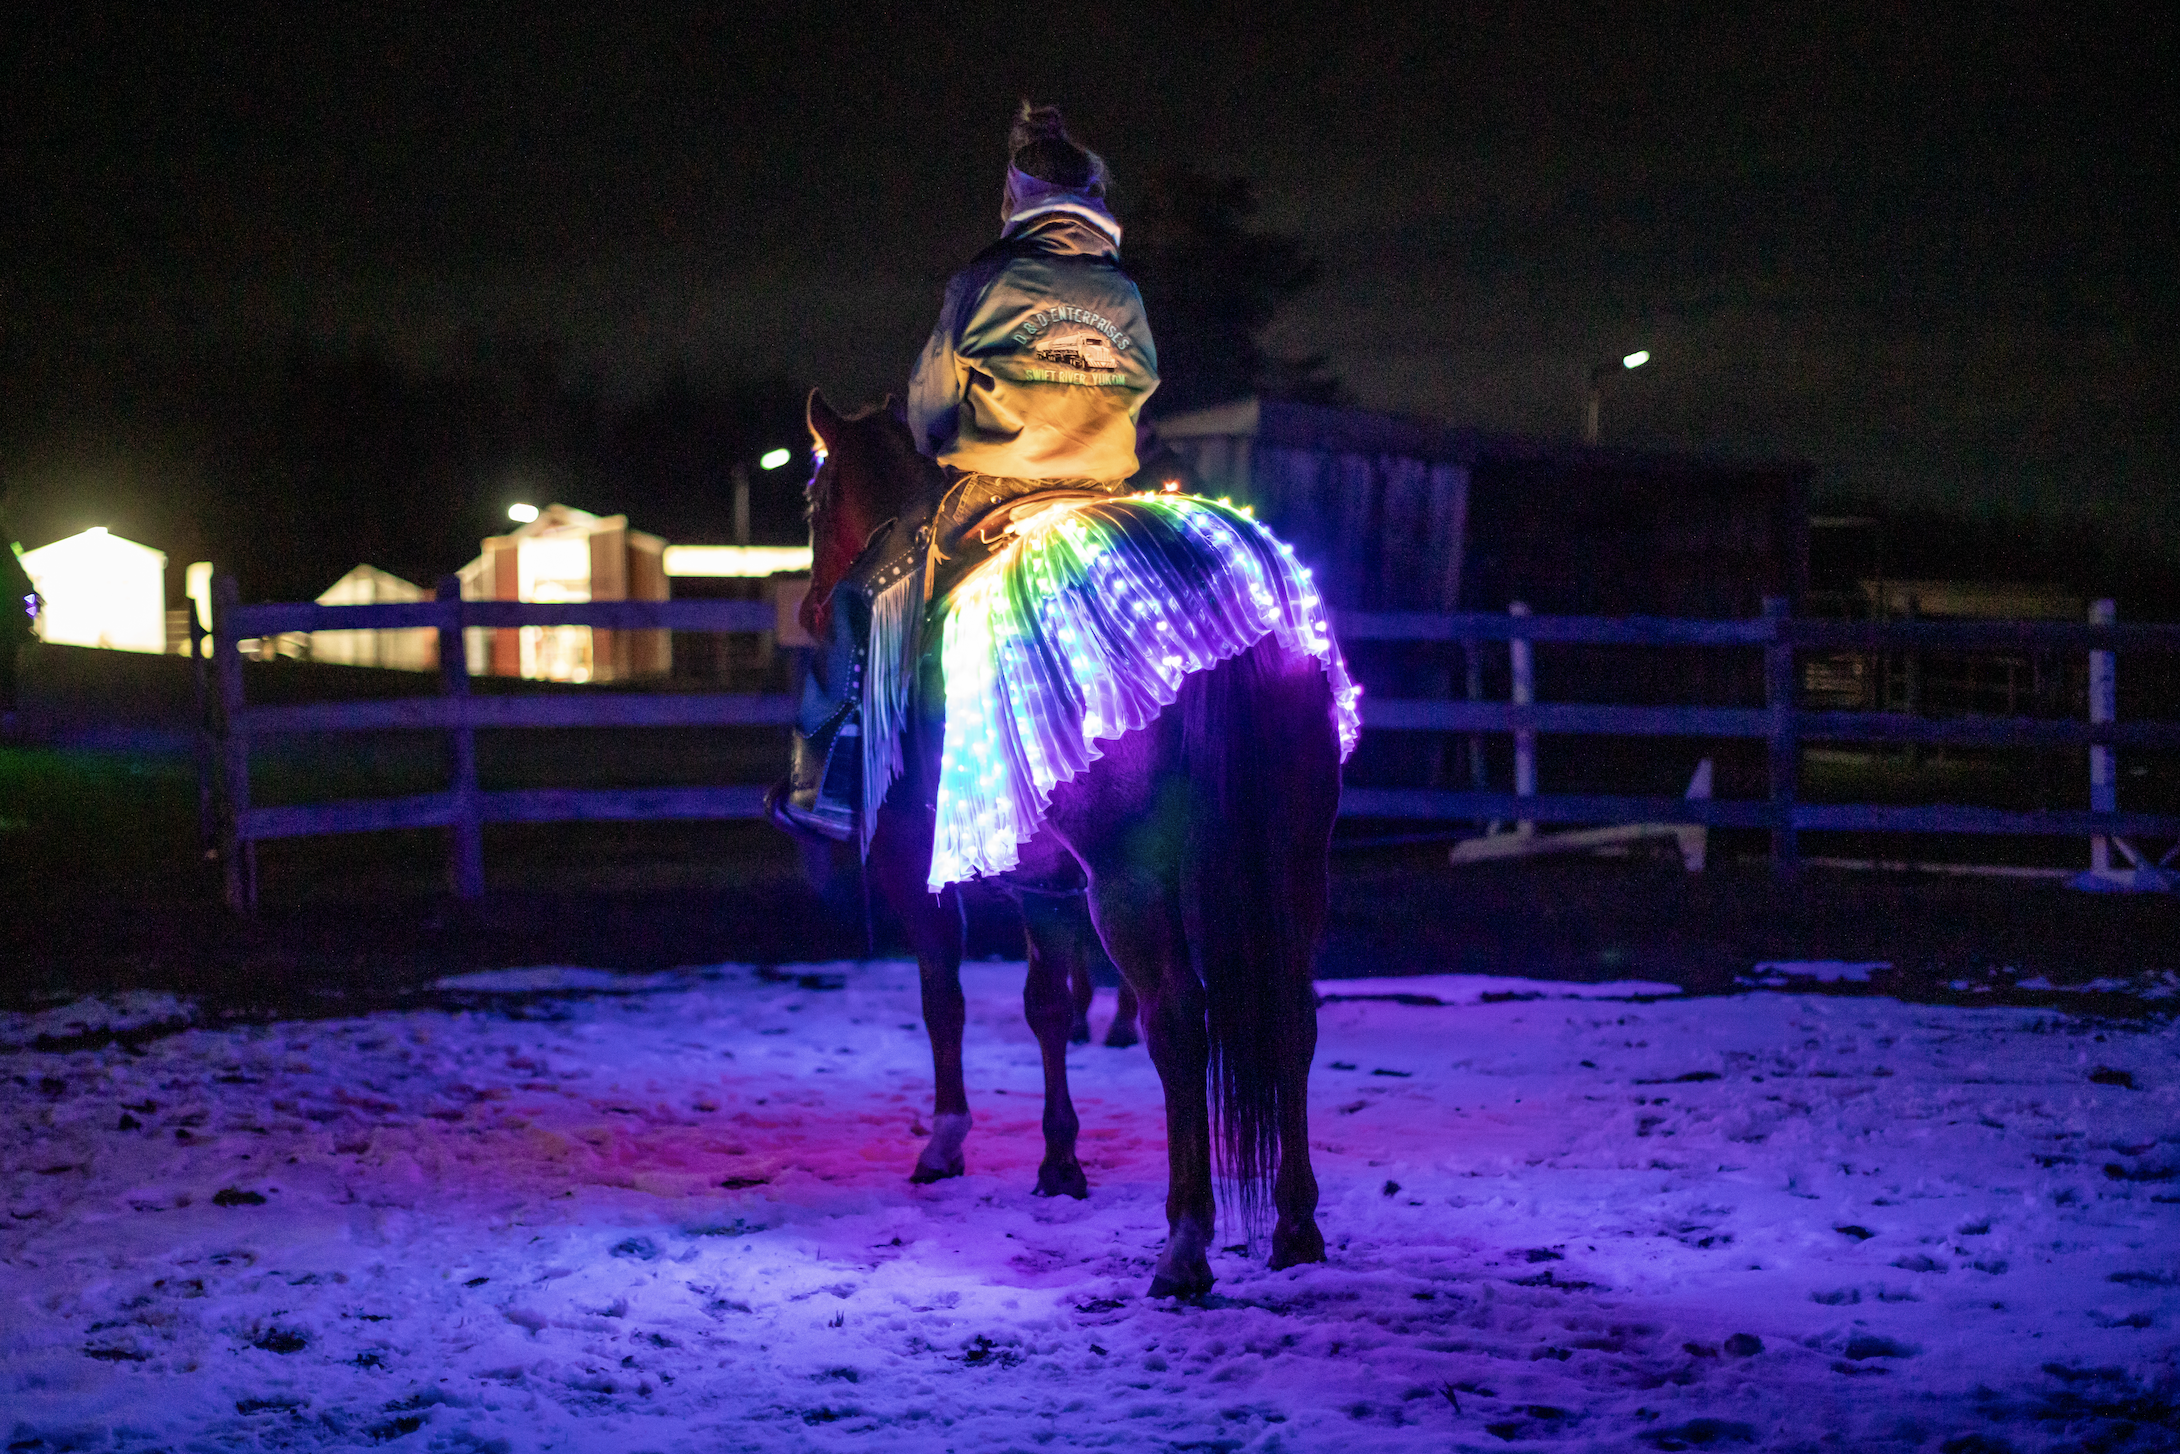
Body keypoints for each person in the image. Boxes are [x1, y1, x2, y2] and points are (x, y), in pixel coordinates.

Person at [906, 101, 1161, 557]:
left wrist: (938, 447)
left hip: (993, 493)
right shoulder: (1126, 294)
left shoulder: (981, 281)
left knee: (884, 579)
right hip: (1103, 492)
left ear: (1013, 198)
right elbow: (1135, 395)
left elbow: (930, 411)